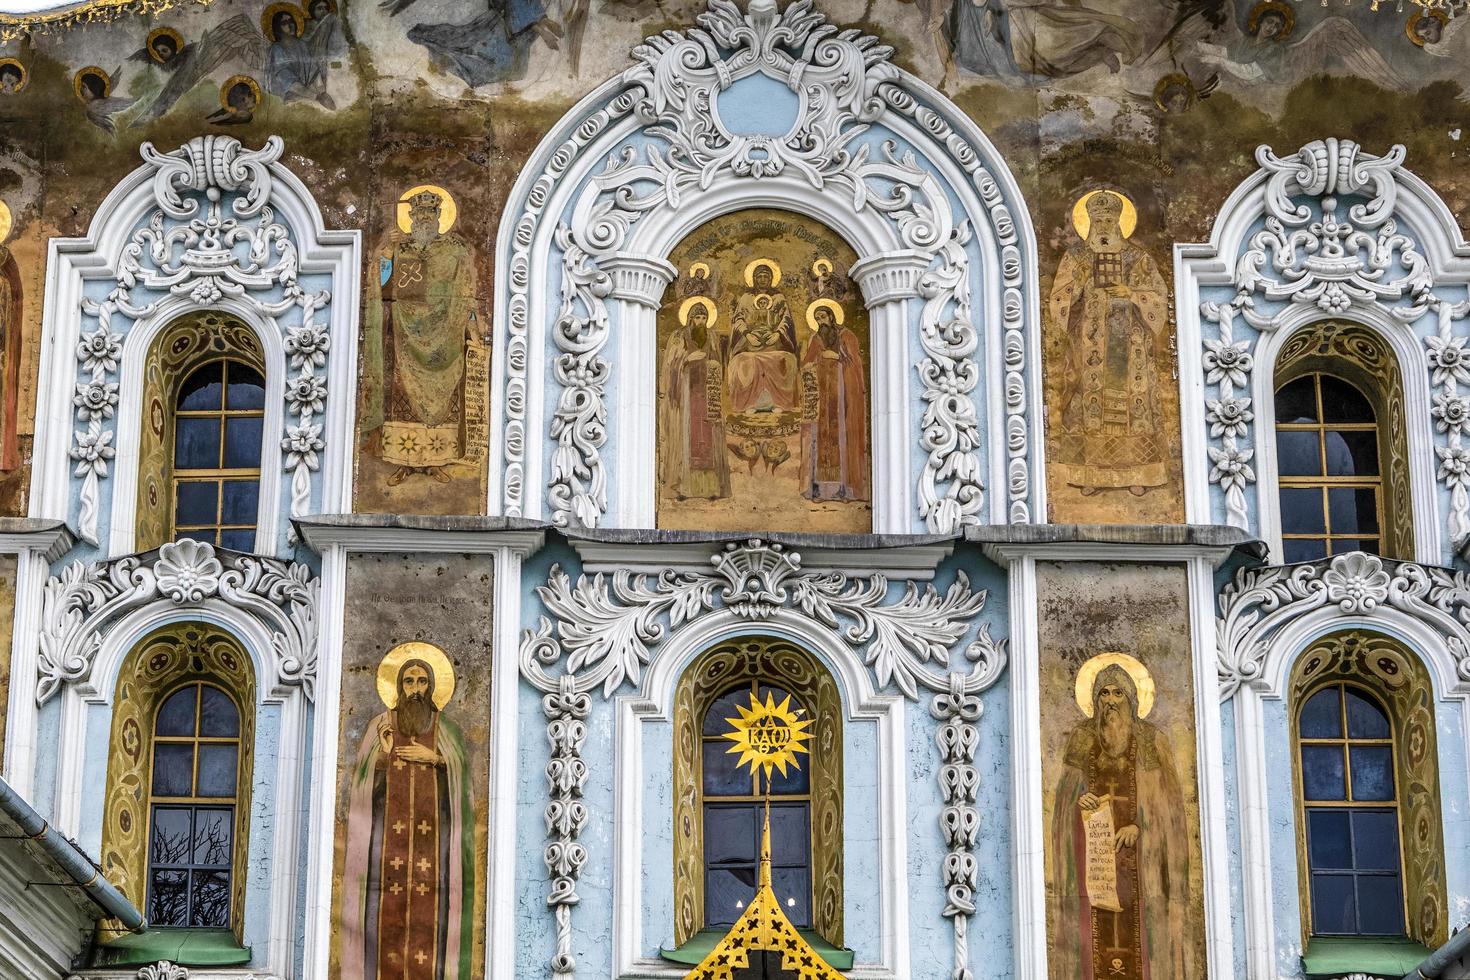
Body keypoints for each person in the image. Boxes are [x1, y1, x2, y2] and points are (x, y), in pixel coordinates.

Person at [1050, 663, 1192, 980]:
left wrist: (1140, 827)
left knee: (1140, 935)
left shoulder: (1153, 741)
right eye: (1103, 692)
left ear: (1132, 698)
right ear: (1094, 699)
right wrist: (1079, 804)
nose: (1111, 700)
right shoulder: (1080, 740)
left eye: (1118, 692)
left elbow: (1169, 811)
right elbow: (1062, 809)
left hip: (1142, 868)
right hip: (1095, 865)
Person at [341, 657, 475, 979]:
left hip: (436, 852)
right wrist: (385, 756)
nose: (416, 690)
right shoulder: (380, 727)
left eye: (422, 682)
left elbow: (463, 792)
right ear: (398, 687)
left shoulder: (448, 730)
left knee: (433, 919)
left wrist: (438, 760)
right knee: (381, 916)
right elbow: (361, 788)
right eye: (409, 682)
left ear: (431, 686)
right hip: (385, 850)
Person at [1049, 191, 1168, 496]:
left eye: (1108, 220)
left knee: (1133, 407)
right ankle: (1089, 476)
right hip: (1090, 347)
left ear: (1118, 222)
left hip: (1130, 348)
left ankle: (1139, 473)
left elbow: (1157, 299)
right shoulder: (1077, 257)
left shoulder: (1137, 258)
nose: (1102, 226)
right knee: (1089, 406)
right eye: (1097, 220)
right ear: (1089, 222)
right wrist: (1081, 287)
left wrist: (1131, 294)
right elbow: (1059, 299)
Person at [362, 189, 480, 486]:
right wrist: (386, 254)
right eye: (419, 214)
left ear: (440, 216)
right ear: (411, 217)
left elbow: (466, 293)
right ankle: (405, 462)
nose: (425, 218)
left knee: (446, 397)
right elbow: (385, 290)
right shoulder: (400, 248)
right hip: (403, 338)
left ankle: (435, 462)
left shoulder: (455, 250)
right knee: (400, 398)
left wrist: (472, 328)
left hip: (446, 338)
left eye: (431, 213)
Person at [661, 298, 730, 500]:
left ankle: (711, 489)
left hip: (707, 392)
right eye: (697, 317)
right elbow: (670, 363)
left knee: (708, 436)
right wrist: (686, 359)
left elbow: (718, 361)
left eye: (704, 317)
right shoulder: (679, 336)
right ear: (690, 319)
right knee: (688, 438)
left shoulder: (712, 337)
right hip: (686, 392)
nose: (701, 321)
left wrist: (712, 364)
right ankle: (684, 488)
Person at [799, 300, 868, 502]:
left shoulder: (846, 336)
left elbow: (855, 364)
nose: (821, 321)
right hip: (822, 399)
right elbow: (807, 362)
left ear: (832, 316)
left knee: (842, 441)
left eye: (823, 317)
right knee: (819, 442)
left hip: (842, 399)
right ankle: (821, 490)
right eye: (817, 318)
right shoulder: (816, 338)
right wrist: (807, 367)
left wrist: (837, 356)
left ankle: (845, 490)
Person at [727, 261, 799, 416]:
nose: (762, 279)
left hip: (774, 343)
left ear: (771, 278)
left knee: (785, 359)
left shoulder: (779, 298)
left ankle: (776, 402)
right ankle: (751, 403)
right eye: (759, 276)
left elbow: (786, 319)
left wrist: (777, 334)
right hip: (750, 344)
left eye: (766, 276)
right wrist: (748, 335)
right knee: (743, 361)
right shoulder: (746, 298)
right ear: (753, 278)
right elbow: (738, 318)